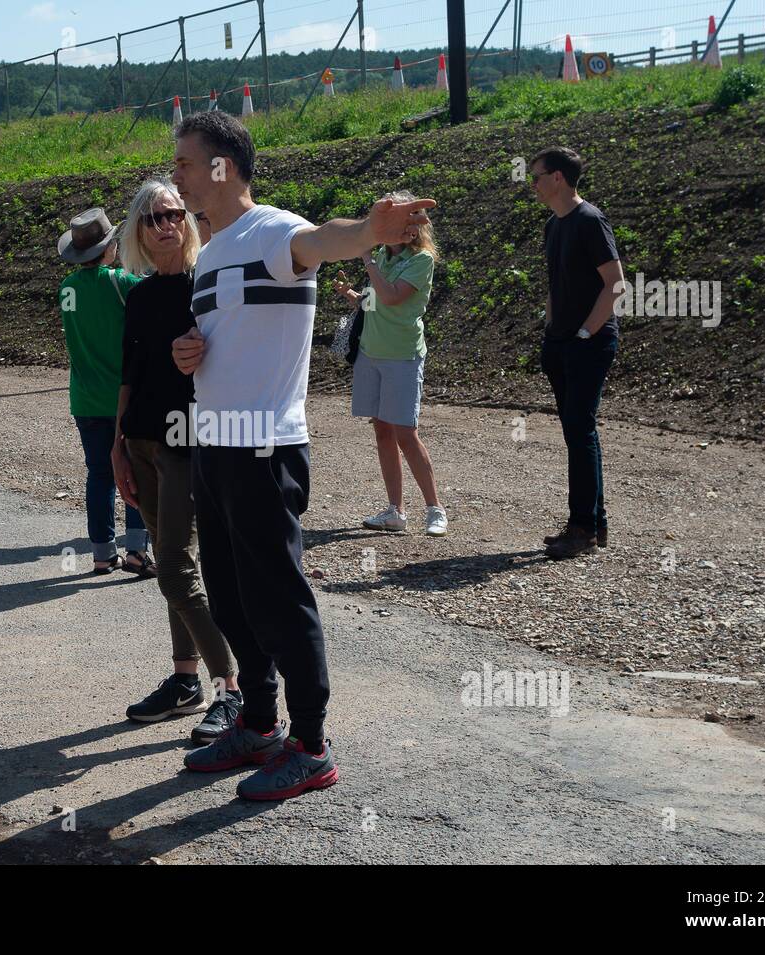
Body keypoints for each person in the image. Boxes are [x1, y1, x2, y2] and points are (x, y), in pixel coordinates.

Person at [170, 109, 434, 800]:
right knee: (229, 597)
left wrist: (371, 231)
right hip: (214, 444)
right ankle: (259, 721)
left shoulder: (275, 230)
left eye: (186, 162)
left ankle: (311, 743)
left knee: (277, 597)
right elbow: (211, 342)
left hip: (265, 446)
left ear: (223, 165)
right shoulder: (210, 250)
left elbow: (326, 240)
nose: (178, 175)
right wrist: (184, 351)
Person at [111, 178, 241, 745]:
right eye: (153, 218)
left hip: (189, 441)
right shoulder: (137, 295)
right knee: (171, 566)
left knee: (173, 566)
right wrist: (116, 446)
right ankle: (186, 681)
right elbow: (128, 376)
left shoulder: (203, 285)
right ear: (138, 231)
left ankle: (232, 689)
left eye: (174, 214)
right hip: (141, 442)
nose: (166, 224)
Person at [331, 188, 448, 537]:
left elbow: (393, 297)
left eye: (408, 220)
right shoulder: (383, 255)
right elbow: (374, 302)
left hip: (401, 356)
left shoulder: (421, 260)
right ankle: (395, 511)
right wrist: (351, 295)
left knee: (406, 434)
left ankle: (434, 509)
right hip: (371, 353)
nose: (403, 228)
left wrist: (366, 259)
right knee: (382, 430)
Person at [527, 147, 624, 559]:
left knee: (580, 430)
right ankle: (592, 524)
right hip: (562, 342)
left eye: (537, 176)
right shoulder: (554, 225)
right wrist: (552, 331)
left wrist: (587, 331)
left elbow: (616, 283)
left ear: (558, 178)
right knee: (575, 431)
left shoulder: (589, 220)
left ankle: (583, 528)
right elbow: (555, 284)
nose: (532, 183)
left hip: (588, 343)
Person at [57, 208, 153, 576]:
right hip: (124, 396)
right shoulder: (122, 282)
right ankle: (136, 551)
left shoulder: (67, 288)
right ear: (109, 246)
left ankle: (101, 554)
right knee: (136, 472)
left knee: (99, 473)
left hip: (84, 397)